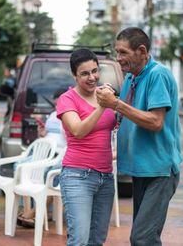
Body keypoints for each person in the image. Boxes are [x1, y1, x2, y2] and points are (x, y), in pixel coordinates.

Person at [96, 27, 182, 246]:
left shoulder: (157, 75)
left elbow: (155, 121)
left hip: (160, 171)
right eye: (118, 52)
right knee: (144, 238)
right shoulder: (131, 79)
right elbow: (123, 118)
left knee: (142, 238)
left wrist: (116, 103)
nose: (119, 58)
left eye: (123, 52)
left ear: (142, 51)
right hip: (141, 169)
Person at [57, 48, 116, 245]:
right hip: (77, 176)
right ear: (74, 75)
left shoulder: (104, 95)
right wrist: (103, 105)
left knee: (97, 240)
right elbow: (78, 131)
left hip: (106, 178)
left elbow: (115, 129)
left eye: (95, 71)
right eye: (84, 73)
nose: (92, 77)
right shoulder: (67, 99)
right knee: (79, 240)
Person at [16, 87, 68, 228]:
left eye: (60, 103)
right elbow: (47, 134)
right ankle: (26, 208)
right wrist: (42, 132)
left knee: (44, 173)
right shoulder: (52, 115)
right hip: (44, 150)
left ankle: (34, 213)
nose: (58, 106)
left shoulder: (70, 115)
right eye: (56, 104)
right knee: (19, 166)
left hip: (58, 153)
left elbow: (69, 138)